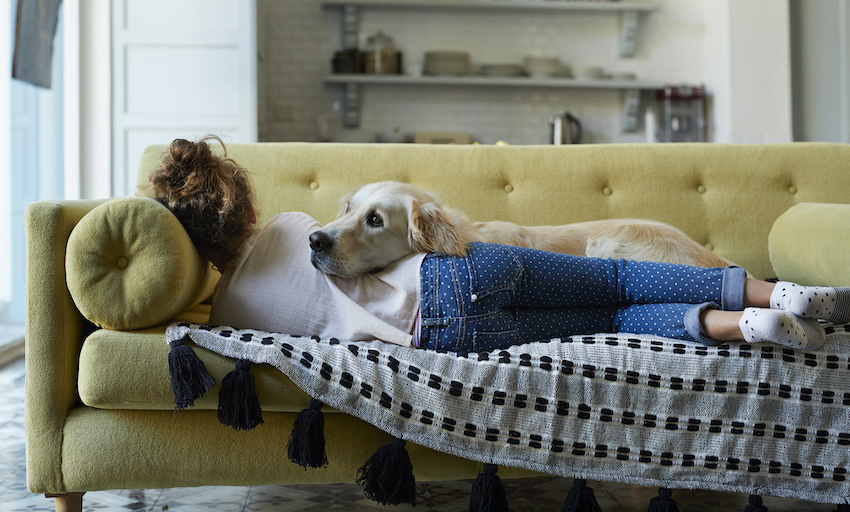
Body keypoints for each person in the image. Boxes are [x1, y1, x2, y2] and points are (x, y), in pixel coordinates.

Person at [149, 136, 849, 353]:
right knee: (615, 283)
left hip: (450, 341)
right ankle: (770, 294)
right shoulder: (298, 231)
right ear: (242, 201)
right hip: (468, 273)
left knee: (613, 324)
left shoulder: (230, 316)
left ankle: (746, 327)